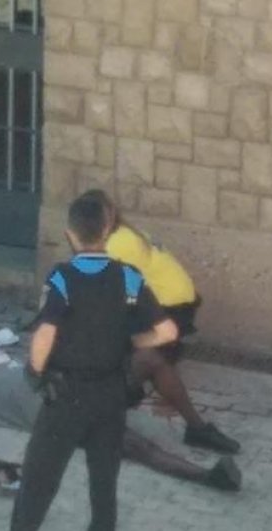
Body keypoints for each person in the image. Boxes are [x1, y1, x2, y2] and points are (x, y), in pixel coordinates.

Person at [9, 195, 178, 531]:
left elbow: (45, 332)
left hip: (66, 395)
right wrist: (133, 341)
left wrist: (34, 373)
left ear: (70, 233)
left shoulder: (62, 277)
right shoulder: (129, 277)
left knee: (39, 480)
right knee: (104, 484)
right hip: (111, 394)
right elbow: (167, 330)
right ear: (107, 230)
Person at [0, 353, 242, 493]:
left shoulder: (0, 369)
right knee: (138, 448)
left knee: (149, 362)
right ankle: (207, 477)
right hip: (67, 414)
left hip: (82, 389)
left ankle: (197, 427)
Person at [79, 189, 239, 455]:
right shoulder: (124, 235)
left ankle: (186, 422)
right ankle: (187, 424)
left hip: (169, 306)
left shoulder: (116, 245)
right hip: (176, 303)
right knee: (148, 359)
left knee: (146, 357)